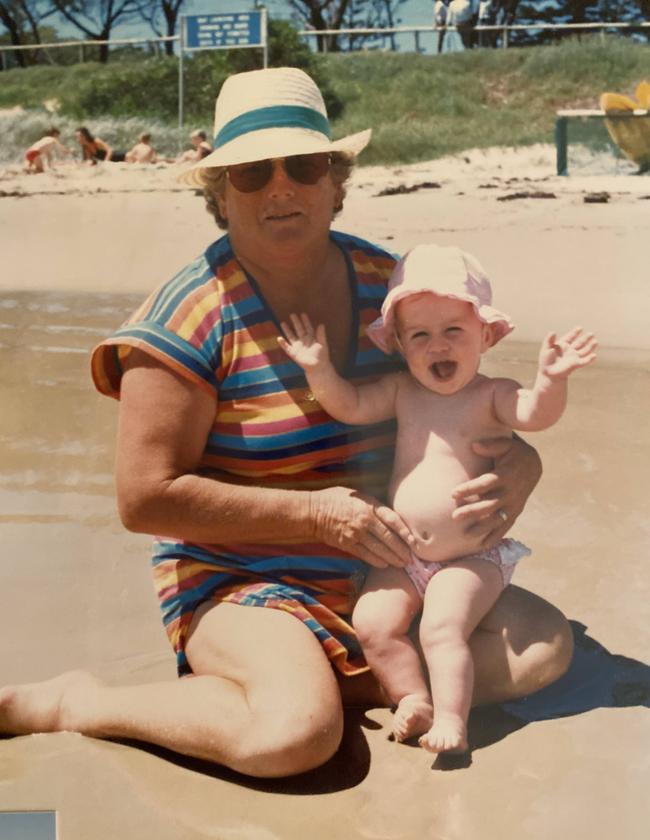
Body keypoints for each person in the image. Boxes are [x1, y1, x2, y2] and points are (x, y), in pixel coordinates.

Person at [0, 68, 574, 779]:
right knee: (294, 738)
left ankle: (327, 674)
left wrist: (522, 463)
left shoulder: (392, 289)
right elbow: (142, 497)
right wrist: (316, 518)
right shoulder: (187, 315)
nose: (281, 187)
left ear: (335, 182)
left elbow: (468, 402)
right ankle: (80, 703)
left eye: (303, 166)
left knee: (544, 647)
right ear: (217, 192)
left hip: (386, 571)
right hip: (239, 572)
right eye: (250, 172)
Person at [279, 244, 596, 753]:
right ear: (400, 345)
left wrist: (552, 380)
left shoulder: (492, 394)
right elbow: (352, 405)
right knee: (374, 623)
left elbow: (535, 414)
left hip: (470, 558)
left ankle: (452, 720)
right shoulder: (402, 390)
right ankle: (411, 699)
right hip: (405, 557)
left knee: (442, 630)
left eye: (454, 331)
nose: (438, 347)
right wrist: (318, 371)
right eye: (420, 336)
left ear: (486, 335)